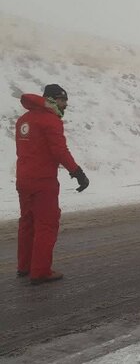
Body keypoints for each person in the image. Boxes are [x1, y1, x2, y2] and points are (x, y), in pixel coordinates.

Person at [15, 84, 90, 285]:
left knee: (27, 222)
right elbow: (59, 151)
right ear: (53, 99)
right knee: (46, 224)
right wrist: (77, 172)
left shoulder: (24, 120)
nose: (65, 105)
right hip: (43, 182)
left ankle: (24, 266)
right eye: (63, 100)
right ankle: (40, 271)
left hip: (23, 180)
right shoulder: (50, 121)